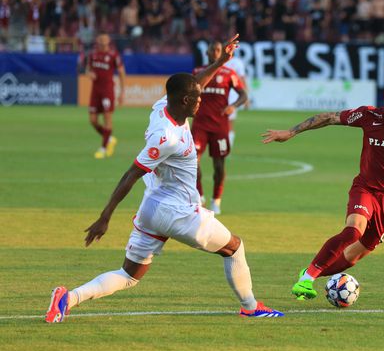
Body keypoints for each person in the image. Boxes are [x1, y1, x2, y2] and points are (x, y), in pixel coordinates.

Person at [46, 35, 282, 323]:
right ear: (185, 101)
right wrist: (105, 216)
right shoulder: (167, 138)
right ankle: (250, 306)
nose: (201, 101)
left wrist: (220, 63)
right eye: (197, 98)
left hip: (152, 208)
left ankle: (67, 298)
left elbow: (197, 82)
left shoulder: (162, 106)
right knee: (235, 247)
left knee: (129, 276)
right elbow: (132, 173)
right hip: (178, 212)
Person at [261, 77, 384, 299]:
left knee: (356, 255)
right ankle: (307, 279)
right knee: (354, 229)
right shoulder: (369, 115)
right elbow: (329, 117)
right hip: (367, 189)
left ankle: (309, 273)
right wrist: (291, 132)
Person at [192, 42, 248, 214]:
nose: (215, 52)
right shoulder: (197, 72)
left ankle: (216, 200)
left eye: (218, 50)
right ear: (207, 52)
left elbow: (243, 94)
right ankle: (199, 196)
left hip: (219, 126)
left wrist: (234, 106)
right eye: (213, 50)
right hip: (200, 124)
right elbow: (189, 91)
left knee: (219, 166)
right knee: (193, 161)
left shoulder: (229, 73)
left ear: (222, 52)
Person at [85, 34, 126, 159]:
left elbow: (121, 72)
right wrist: (89, 74)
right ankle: (109, 138)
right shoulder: (92, 55)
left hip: (107, 90)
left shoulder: (113, 55)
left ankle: (103, 148)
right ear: (97, 40)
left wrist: (122, 92)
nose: (103, 41)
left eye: (105, 38)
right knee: (93, 120)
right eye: (100, 38)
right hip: (95, 90)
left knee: (107, 117)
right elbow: (87, 69)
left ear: (109, 40)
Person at [224, 54, 249, 148]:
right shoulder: (217, 61)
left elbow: (242, 79)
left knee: (229, 123)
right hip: (218, 95)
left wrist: (246, 97)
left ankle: (227, 148)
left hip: (233, 96)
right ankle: (222, 147)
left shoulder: (237, 62)